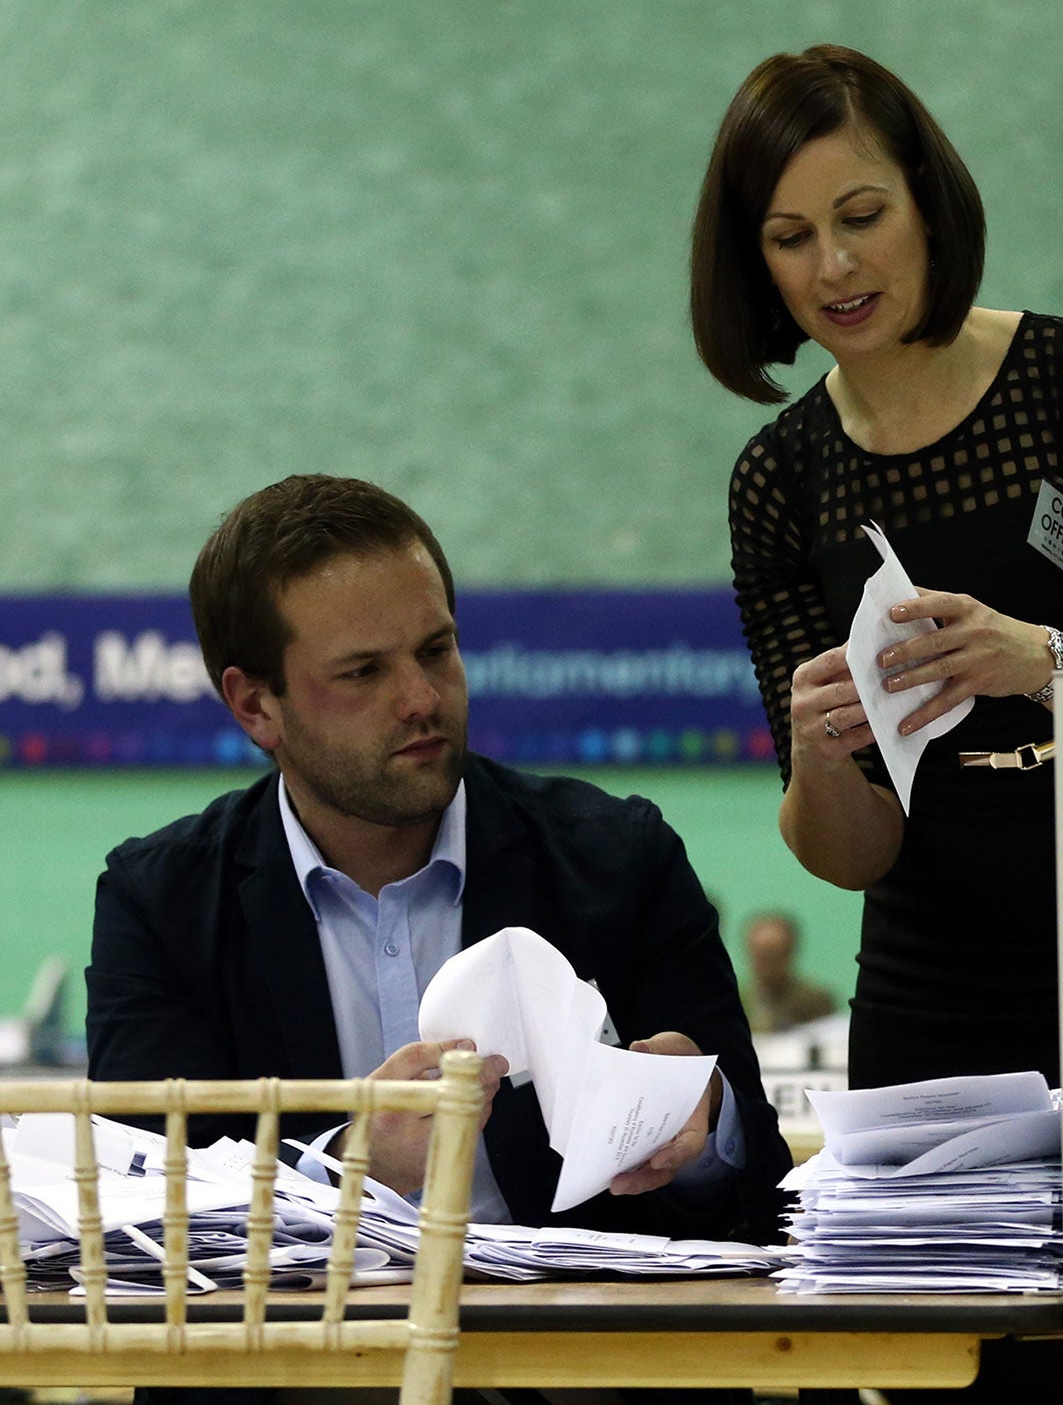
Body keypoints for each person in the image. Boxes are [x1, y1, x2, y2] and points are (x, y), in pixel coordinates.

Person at [695, 45, 1063, 1398]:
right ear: (754, 265)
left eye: (861, 215)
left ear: (930, 205)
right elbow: (845, 853)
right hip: (940, 979)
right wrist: (820, 743)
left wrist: (1047, 660)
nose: (835, 267)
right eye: (790, 239)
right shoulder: (779, 483)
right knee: (955, 1364)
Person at [86, 475, 790, 1248]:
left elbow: (758, 1190)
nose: (422, 697)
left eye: (436, 650)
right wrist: (354, 1166)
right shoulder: (161, 900)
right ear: (256, 706)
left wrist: (703, 1129)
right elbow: (143, 1202)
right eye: (363, 672)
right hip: (302, 1354)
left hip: (574, 1349)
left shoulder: (619, 858)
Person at [740, 910, 838, 1032]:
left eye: (775, 954)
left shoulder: (815, 1002)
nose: (768, 963)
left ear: (789, 952)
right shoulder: (736, 1001)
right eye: (762, 955)